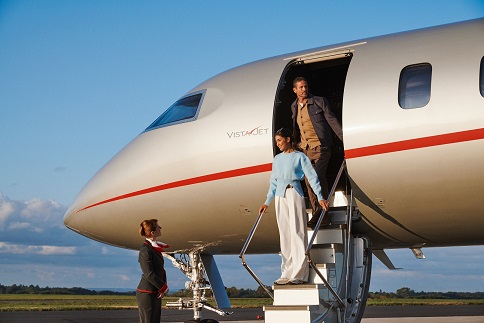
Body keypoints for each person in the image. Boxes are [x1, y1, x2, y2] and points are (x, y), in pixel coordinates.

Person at [259, 128, 328, 285]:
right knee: (284, 234)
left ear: (288, 139)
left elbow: (312, 176)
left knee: (297, 232)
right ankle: (286, 272)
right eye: (276, 142)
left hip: (294, 193)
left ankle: (299, 274)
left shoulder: (300, 157)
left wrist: (320, 197)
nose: (278, 144)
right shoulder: (277, 159)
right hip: (279, 196)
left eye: (280, 141)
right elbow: (273, 182)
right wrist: (266, 201)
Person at [291, 77, 343, 228]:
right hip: (305, 149)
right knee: (308, 181)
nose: (304, 89)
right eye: (300, 87)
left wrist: (343, 138)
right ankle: (319, 213)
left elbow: (332, 120)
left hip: (321, 146)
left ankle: (322, 213)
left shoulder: (319, 101)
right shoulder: (294, 106)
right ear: (295, 90)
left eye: (305, 86)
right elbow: (296, 127)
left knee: (317, 177)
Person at [136, 219, 169, 323]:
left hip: (155, 291)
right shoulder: (145, 250)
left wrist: (162, 288)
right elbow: (149, 274)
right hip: (147, 293)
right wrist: (163, 287)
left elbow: (161, 270)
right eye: (158, 227)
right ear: (153, 232)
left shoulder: (153, 247)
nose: (160, 228)